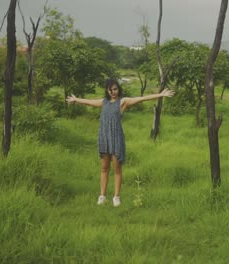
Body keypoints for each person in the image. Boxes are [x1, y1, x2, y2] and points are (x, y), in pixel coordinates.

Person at [66, 79, 174, 207]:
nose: (113, 92)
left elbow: (142, 98)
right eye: (110, 89)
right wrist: (76, 99)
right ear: (107, 90)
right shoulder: (103, 102)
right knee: (104, 167)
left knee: (117, 168)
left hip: (116, 138)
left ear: (118, 89)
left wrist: (160, 95)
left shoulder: (123, 102)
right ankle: (102, 196)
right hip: (104, 137)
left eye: (115, 89)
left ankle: (116, 197)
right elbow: (89, 102)